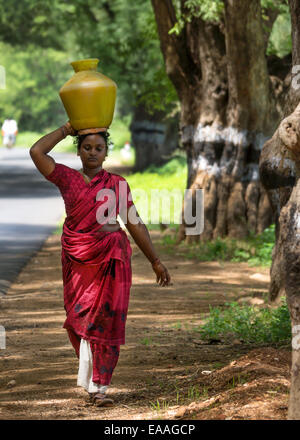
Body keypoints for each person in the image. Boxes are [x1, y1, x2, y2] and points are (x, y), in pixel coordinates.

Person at [29, 121, 171, 407]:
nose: (93, 153)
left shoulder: (117, 184)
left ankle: (99, 388)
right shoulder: (66, 178)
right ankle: (93, 378)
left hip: (111, 259)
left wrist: (155, 260)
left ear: (106, 153)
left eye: (99, 148)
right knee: (77, 321)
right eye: (87, 147)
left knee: (105, 320)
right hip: (77, 260)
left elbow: (134, 222)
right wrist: (67, 129)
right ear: (79, 152)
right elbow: (37, 151)